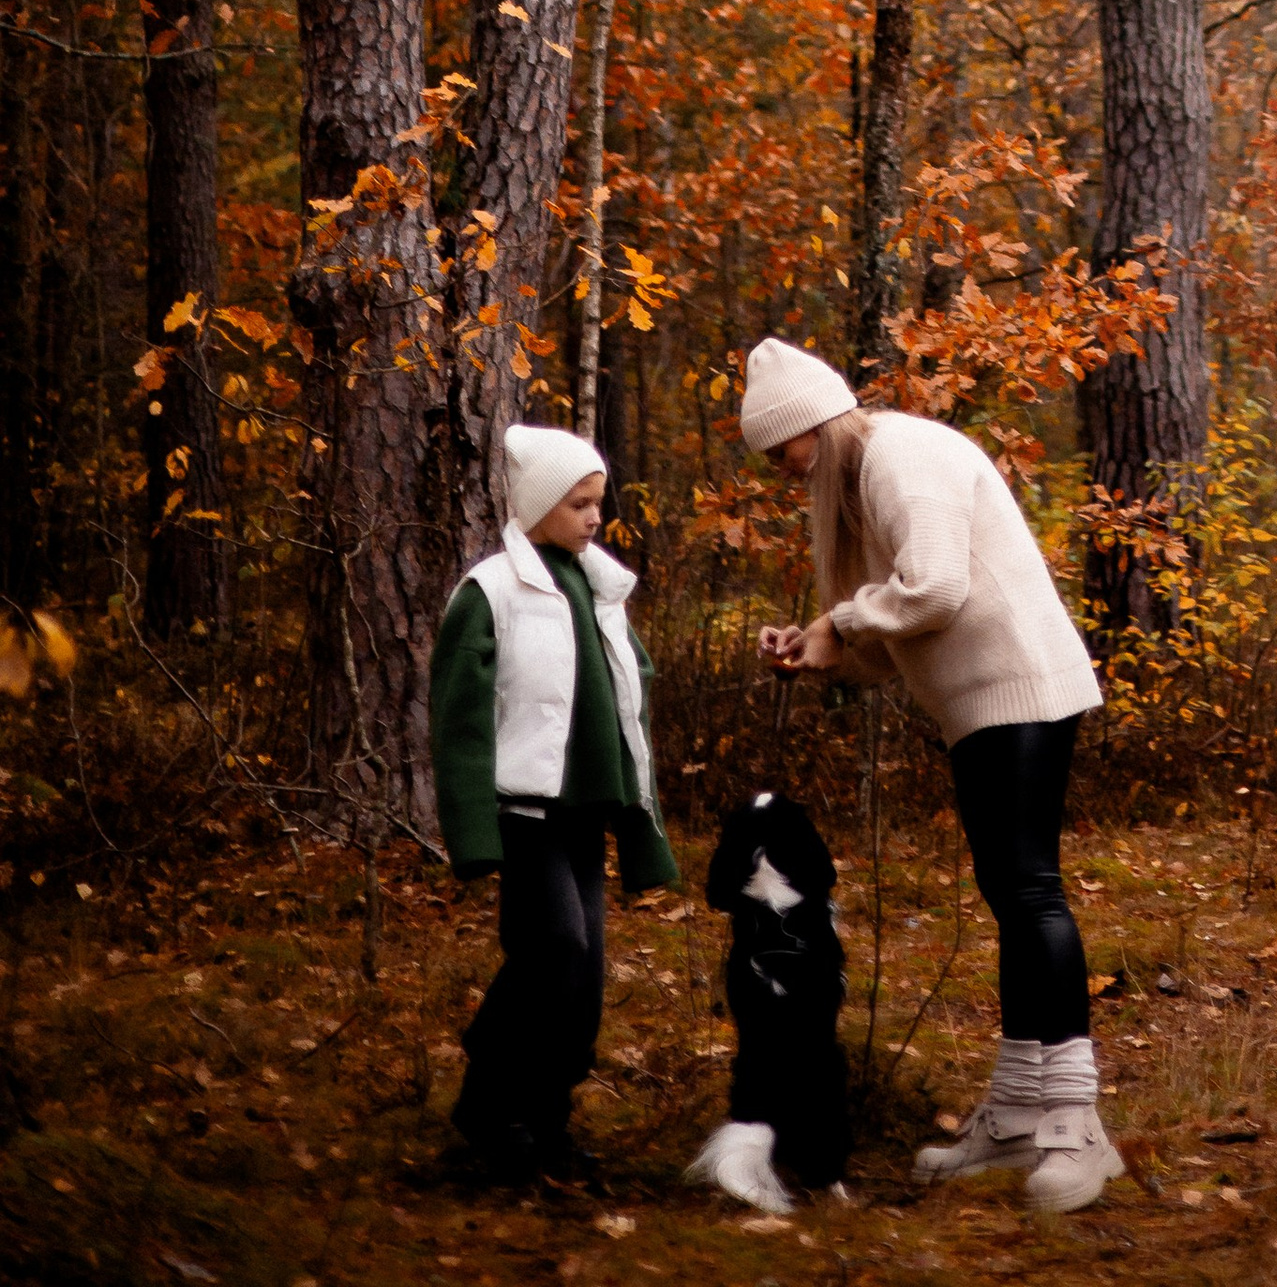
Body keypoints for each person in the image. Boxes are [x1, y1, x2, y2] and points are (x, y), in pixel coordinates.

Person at [739, 335, 1120, 1216]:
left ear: (814, 426)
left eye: (785, 451)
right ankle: (1022, 1112)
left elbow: (938, 590)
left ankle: (1076, 1124)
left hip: (1021, 693)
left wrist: (839, 617)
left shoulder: (900, 456)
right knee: (1013, 895)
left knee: (1031, 895)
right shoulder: (868, 473)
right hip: (983, 706)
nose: (784, 471)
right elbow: (906, 625)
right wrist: (820, 644)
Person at [429, 421, 678, 1188]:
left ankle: (545, 1119)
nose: (594, 517)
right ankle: (488, 1100)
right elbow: (460, 718)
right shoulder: (491, 591)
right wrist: (472, 829)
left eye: (597, 502)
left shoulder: (601, 586)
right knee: (556, 949)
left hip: (585, 813)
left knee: (585, 969)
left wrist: (641, 809)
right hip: (524, 812)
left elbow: (627, 698)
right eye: (579, 504)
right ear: (538, 507)